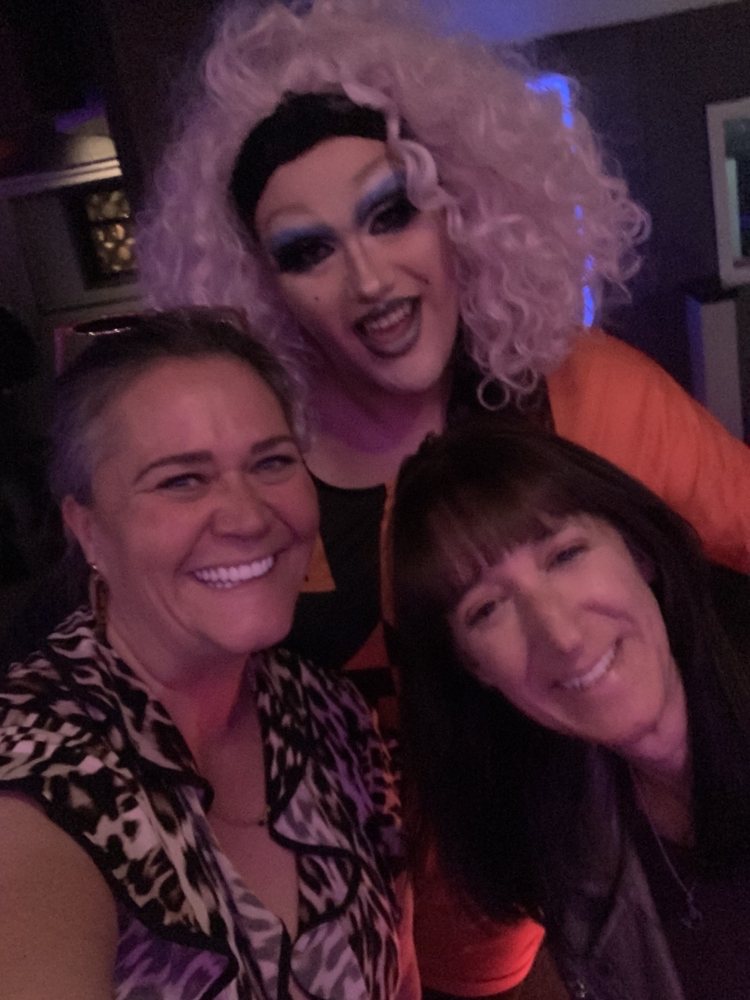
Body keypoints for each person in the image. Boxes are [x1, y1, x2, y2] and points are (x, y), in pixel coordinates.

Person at [143, 0, 748, 994]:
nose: (369, 279)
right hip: (371, 949)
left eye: (391, 212)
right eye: (306, 250)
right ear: (261, 286)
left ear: (457, 207)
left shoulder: (589, 393)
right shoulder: (253, 490)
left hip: (602, 887)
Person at [0, 310, 418, 1000]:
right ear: (89, 531)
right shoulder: (36, 766)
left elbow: (399, 970)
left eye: (272, 462)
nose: (249, 517)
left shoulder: (334, 716)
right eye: (181, 480)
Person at [391, 419, 750, 1000]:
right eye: (487, 609)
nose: (561, 636)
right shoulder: (568, 835)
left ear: (639, 552)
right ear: (475, 668)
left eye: (565, 555)